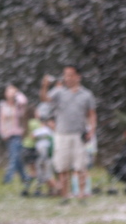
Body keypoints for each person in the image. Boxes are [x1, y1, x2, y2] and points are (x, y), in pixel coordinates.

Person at [40, 65, 97, 203]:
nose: (68, 78)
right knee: (62, 167)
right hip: (62, 134)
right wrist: (44, 86)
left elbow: (91, 114)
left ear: (78, 76)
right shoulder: (58, 92)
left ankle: (82, 195)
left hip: (79, 134)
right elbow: (44, 99)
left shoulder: (86, 94)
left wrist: (92, 130)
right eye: (66, 75)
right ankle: (65, 195)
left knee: (81, 167)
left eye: (71, 75)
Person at [0, 84, 31, 185]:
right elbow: (1, 121)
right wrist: (2, 133)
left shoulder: (19, 105)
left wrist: (17, 93)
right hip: (8, 135)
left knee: (14, 157)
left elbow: (24, 100)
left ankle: (8, 178)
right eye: (8, 92)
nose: (10, 94)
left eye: (12, 92)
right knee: (17, 158)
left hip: (18, 134)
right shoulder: (3, 105)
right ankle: (25, 177)